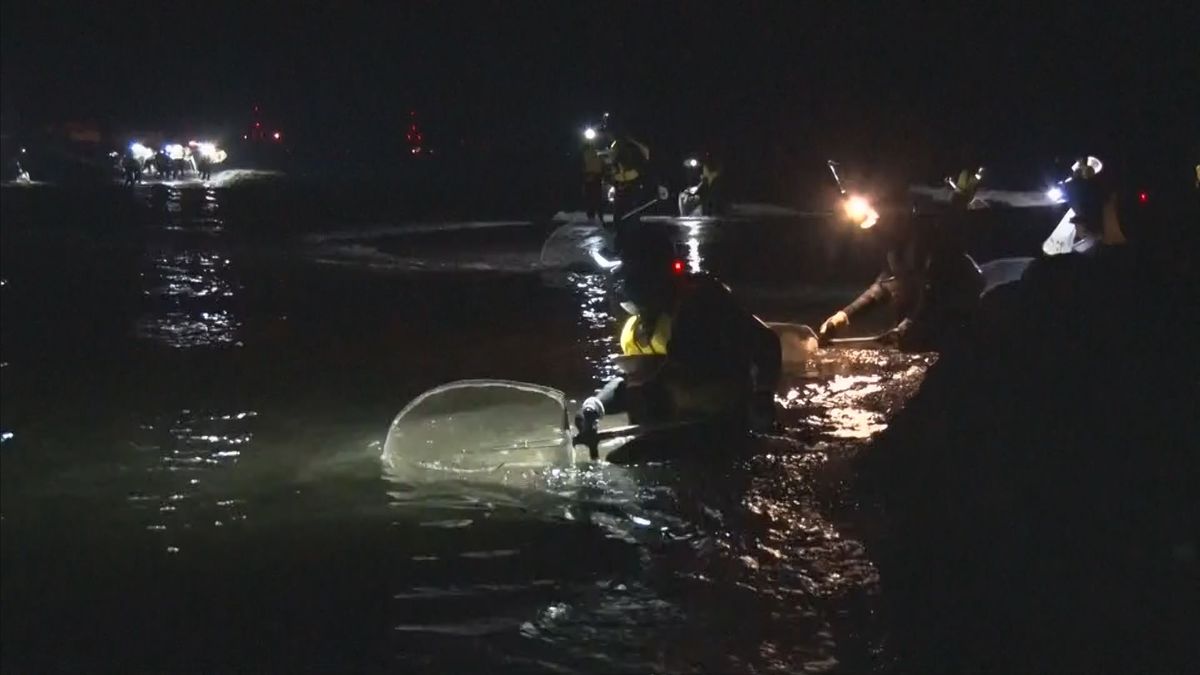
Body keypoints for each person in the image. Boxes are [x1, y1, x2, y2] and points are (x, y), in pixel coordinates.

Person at [574, 225, 781, 457]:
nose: (631, 284)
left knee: (625, 458)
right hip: (671, 426)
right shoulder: (639, 327)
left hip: (718, 426)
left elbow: (768, 342)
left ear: (659, 273)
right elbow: (634, 382)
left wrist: (763, 398)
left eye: (639, 273)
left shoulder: (704, 304)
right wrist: (596, 405)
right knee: (624, 458)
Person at [819, 171, 984, 351]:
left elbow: (933, 295)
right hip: (920, 325)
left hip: (956, 322)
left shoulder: (934, 242)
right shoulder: (897, 245)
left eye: (876, 219)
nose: (874, 228)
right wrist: (843, 316)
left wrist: (903, 328)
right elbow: (885, 285)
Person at [582, 141, 605, 222]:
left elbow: (602, 167)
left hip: (595, 179)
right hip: (590, 179)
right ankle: (593, 218)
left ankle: (598, 218)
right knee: (591, 200)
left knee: (596, 199)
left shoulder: (597, 155)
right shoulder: (585, 154)